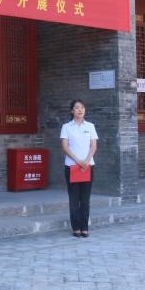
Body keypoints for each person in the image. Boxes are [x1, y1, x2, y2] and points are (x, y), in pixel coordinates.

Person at [60, 99, 98, 238]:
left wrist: (86, 161)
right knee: (74, 198)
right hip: (72, 166)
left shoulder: (90, 126)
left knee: (85, 198)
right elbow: (65, 147)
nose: (80, 110)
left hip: (88, 166)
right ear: (72, 111)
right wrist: (78, 161)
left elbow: (93, 146)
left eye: (82, 107)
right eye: (77, 107)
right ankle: (76, 227)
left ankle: (84, 227)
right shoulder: (66, 127)